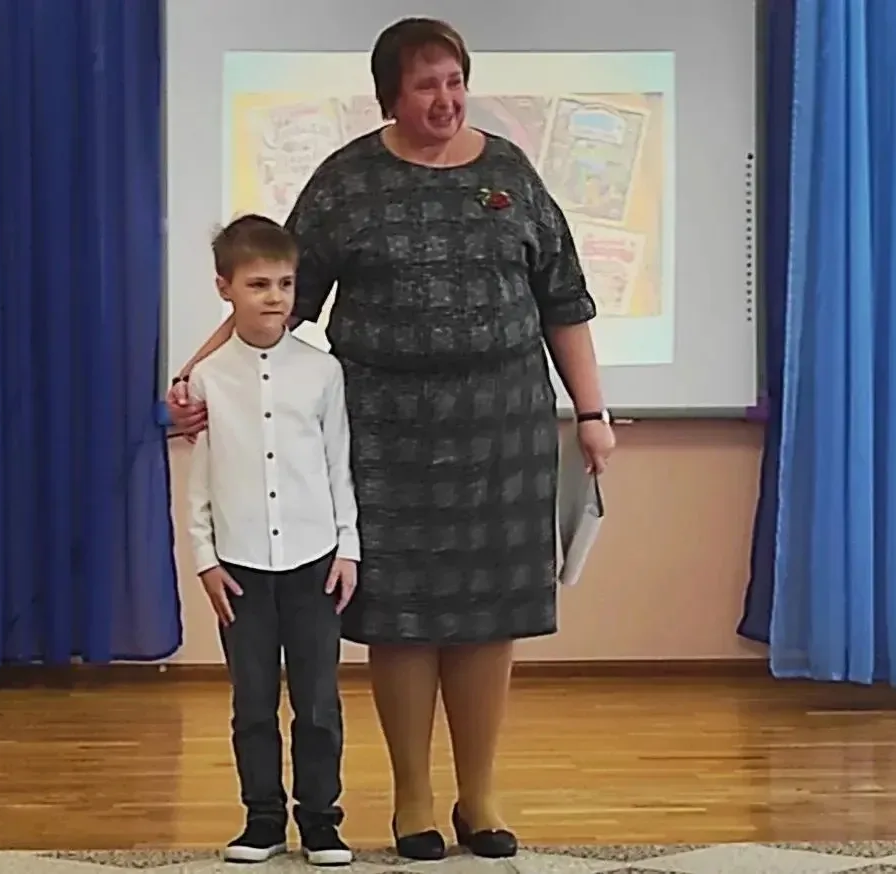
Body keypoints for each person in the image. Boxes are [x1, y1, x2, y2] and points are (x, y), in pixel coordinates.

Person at [169, 17, 616, 861]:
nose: (445, 100)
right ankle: (413, 796)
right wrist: (197, 381)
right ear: (389, 97)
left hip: (502, 433)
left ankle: (479, 795)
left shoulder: (510, 172)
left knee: (488, 615)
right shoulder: (348, 181)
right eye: (425, 85)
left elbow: (564, 298)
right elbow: (275, 299)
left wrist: (592, 415)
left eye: (455, 81)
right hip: (384, 434)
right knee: (403, 616)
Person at [186, 215, 360, 867]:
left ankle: (320, 821)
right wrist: (205, 559)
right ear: (224, 288)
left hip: (314, 565)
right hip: (241, 570)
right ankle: (262, 819)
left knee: (317, 703)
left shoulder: (322, 372)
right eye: (258, 284)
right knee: (253, 703)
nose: (275, 297)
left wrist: (348, 548)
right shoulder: (207, 378)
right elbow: (201, 479)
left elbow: (338, 465)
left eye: (285, 283)